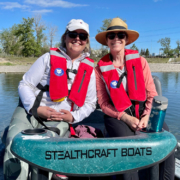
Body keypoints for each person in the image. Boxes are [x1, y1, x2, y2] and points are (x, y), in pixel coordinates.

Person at [3, 19, 97, 180]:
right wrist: (35, 108)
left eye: (82, 36)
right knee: (14, 142)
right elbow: (25, 84)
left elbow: (90, 103)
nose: (77, 39)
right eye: (73, 34)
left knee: (48, 149)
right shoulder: (47, 58)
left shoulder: (90, 71)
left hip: (58, 119)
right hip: (29, 112)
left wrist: (73, 117)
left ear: (86, 41)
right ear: (65, 37)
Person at [95, 18, 175, 180]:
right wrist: (124, 117)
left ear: (126, 40)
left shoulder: (141, 62)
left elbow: (152, 94)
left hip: (144, 113)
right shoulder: (99, 69)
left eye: (120, 35)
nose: (116, 38)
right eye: (111, 36)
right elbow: (103, 104)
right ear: (107, 41)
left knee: (168, 142)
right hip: (118, 116)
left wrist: (146, 115)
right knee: (128, 149)